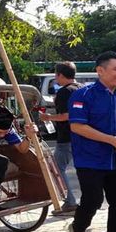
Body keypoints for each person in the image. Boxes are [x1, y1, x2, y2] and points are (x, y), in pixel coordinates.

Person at [67, 52, 116, 232]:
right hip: (90, 158)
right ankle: (78, 229)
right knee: (93, 200)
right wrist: (112, 140)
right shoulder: (83, 94)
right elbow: (78, 127)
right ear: (100, 70)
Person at [39, 61, 82, 216]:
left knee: (56, 169)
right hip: (83, 135)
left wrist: (49, 117)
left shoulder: (65, 92)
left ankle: (70, 202)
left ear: (60, 75)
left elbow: (67, 115)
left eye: (56, 75)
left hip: (67, 137)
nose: (56, 78)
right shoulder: (81, 88)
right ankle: (86, 201)